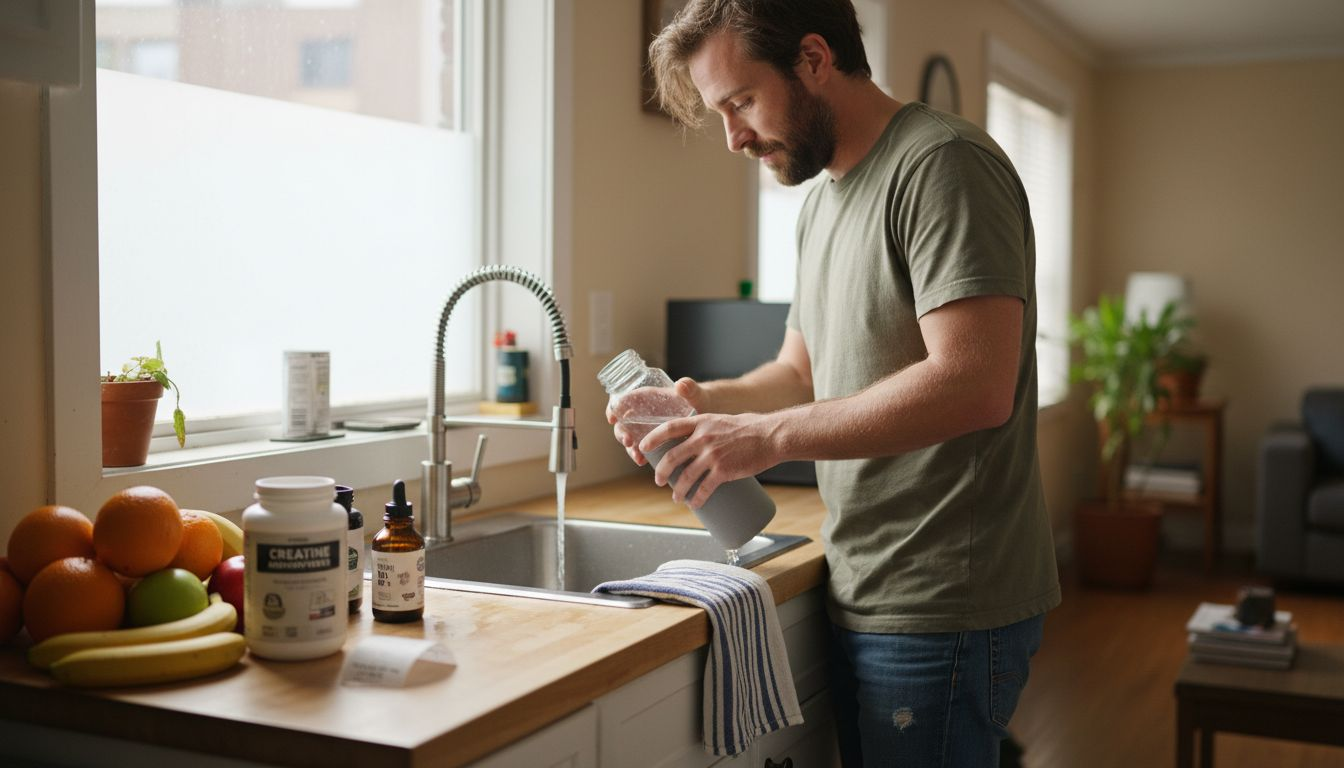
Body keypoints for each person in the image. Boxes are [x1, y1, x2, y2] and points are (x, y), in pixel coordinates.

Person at [607, 1, 1061, 765]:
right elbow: (798, 372)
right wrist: (698, 406)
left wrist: (759, 438)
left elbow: (976, 382)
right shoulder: (820, 204)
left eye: (742, 101)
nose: (733, 137)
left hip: (943, 594)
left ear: (814, 58)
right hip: (864, 577)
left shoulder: (942, 166)